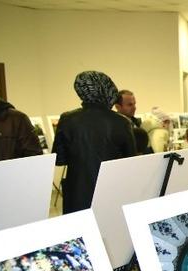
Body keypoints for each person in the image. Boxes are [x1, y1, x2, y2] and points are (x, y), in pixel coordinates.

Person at [54, 71, 136, 214]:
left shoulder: (67, 119)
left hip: (77, 193)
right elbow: (131, 161)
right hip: (111, 191)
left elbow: (59, 159)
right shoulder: (122, 122)